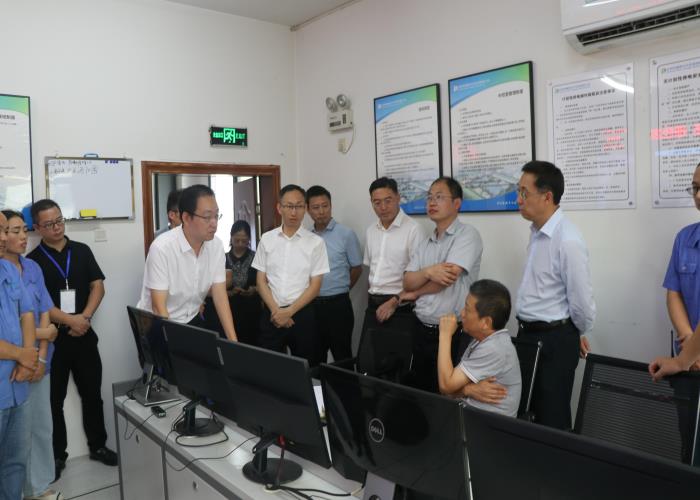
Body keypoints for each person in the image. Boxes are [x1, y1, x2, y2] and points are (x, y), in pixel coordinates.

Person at [28, 199, 117, 478]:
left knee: (92, 395)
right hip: (53, 341)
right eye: (49, 224)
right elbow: (40, 304)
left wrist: (84, 318)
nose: (56, 227)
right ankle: (57, 456)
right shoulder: (32, 262)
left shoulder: (81, 250)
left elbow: (98, 286)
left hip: (84, 335)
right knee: (53, 402)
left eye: (59, 220)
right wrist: (70, 321)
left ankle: (98, 446)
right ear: (37, 228)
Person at [514, 161, 595, 430]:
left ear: (547, 197)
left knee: (552, 419)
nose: (519, 199)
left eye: (524, 193)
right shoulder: (537, 232)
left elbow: (582, 301)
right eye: (518, 191)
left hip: (554, 342)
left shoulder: (567, 239)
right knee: (526, 413)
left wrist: (574, 331)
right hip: (528, 336)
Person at [404, 176, 483, 393]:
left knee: (446, 393)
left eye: (439, 197)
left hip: (452, 331)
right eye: (429, 197)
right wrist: (429, 272)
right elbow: (407, 281)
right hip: (421, 327)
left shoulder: (467, 235)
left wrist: (417, 290)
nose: (432, 202)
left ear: (457, 203)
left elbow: (447, 279)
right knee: (421, 391)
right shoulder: (425, 243)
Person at [2, 211, 60, 500]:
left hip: (31, 367)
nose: (19, 237)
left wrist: (37, 358)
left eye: (21, 230)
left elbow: (34, 312)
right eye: (11, 231)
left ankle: (38, 488)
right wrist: (29, 350)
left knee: (38, 432)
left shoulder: (24, 268)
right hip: (9, 370)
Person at [137, 184, 237, 341]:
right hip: (157, 322)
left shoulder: (216, 246)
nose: (214, 223)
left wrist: (233, 341)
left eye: (216, 216)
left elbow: (220, 295)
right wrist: (173, 348)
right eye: (207, 217)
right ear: (186, 218)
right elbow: (159, 307)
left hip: (191, 317)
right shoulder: (162, 248)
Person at [253, 184, 329, 366]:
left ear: (305, 208)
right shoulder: (267, 239)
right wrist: (276, 311)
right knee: (268, 366)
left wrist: (288, 312)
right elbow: (260, 281)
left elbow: (315, 286)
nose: (294, 212)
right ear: (280, 208)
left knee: (306, 367)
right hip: (272, 313)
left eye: (299, 206)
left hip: (301, 314)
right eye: (289, 206)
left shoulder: (316, 243)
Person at [438, 279, 521, 417]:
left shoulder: (494, 348)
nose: (462, 313)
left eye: (467, 309)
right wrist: (468, 390)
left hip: (487, 425)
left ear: (486, 322)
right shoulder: (481, 340)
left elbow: (446, 386)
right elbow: (449, 392)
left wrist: (445, 335)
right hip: (468, 416)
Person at [0, 210, 38, 500]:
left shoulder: (9, 270)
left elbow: (27, 313)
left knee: (16, 463)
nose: (4, 238)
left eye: (5, 231)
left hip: (18, 385)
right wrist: (23, 355)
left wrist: (28, 359)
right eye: (0, 231)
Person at [307, 185, 362, 362]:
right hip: (312, 305)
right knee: (315, 357)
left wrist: (342, 288)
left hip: (338, 306)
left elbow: (357, 268)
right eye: (316, 207)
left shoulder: (346, 234)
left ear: (331, 206)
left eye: (325, 206)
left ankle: (345, 383)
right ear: (308, 210)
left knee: (342, 357)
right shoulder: (306, 237)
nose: (321, 211)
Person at [362, 177, 422, 337]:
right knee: (371, 350)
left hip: (399, 303)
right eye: (377, 202)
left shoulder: (413, 229)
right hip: (373, 302)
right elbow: (371, 270)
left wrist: (394, 302)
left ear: (398, 198)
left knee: (396, 351)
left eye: (388, 201)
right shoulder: (371, 231)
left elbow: (419, 276)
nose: (383, 207)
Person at [663, 162, 700, 368]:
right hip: (687, 354)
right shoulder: (684, 238)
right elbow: (674, 293)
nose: (698, 196)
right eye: (695, 188)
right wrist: (688, 340)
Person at [225, 220, 260, 345]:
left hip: (251, 312)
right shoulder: (223, 258)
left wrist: (254, 289)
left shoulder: (257, 258)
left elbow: (265, 283)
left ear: (249, 239)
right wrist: (229, 292)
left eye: (244, 241)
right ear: (231, 237)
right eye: (236, 240)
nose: (240, 244)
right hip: (229, 310)